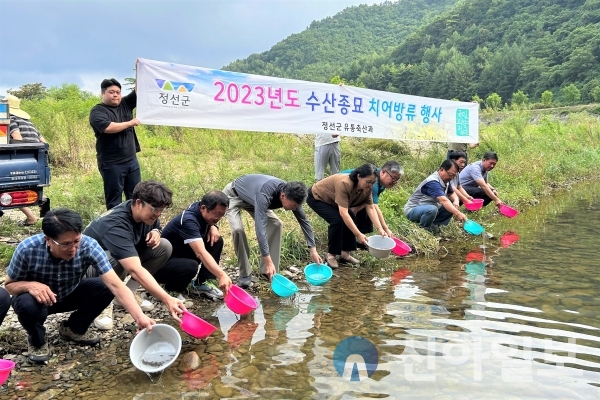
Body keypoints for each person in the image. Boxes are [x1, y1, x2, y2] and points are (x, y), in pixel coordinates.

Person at [4, 208, 155, 363]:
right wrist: (31, 286)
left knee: (105, 287)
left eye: (76, 241)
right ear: (48, 240)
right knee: (26, 305)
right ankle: (37, 340)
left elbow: (116, 285)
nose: (73, 249)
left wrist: (139, 317)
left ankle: (73, 329)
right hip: (38, 301)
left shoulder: (89, 245)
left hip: (69, 293)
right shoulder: (27, 249)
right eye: (66, 244)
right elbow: (9, 285)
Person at [83, 180, 185, 330]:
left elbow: (157, 226)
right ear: (138, 203)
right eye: (155, 210)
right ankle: (103, 301)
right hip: (86, 272)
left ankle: (124, 296)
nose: (158, 214)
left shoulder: (145, 215)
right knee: (115, 259)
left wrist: (156, 232)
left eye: (161, 210)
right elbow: (134, 269)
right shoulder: (116, 223)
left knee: (164, 246)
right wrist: (167, 298)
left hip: (113, 263)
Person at [223, 175, 322, 288]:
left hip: (254, 199)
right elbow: (260, 229)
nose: (295, 209)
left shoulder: (292, 195)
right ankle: (245, 273)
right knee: (238, 230)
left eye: (297, 206)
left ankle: (268, 271)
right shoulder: (265, 195)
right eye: (293, 205)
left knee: (276, 224)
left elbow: (304, 221)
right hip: (234, 195)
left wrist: (313, 250)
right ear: (283, 196)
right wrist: (268, 259)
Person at [307, 163, 387, 269]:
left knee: (352, 217)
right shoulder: (345, 183)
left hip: (333, 200)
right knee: (337, 220)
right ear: (359, 176)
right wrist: (358, 234)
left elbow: (370, 208)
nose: (370, 185)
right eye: (368, 182)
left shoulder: (367, 188)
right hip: (317, 198)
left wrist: (380, 229)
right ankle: (331, 254)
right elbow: (343, 213)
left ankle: (345, 254)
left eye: (373, 183)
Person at [158, 190, 233, 301]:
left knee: (216, 240)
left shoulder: (198, 207)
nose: (218, 218)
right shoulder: (189, 220)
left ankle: (201, 283)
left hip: (181, 252)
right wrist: (222, 275)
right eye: (216, 214)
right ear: (203, 208)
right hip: (162, 265)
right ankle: (172, 290)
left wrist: (213, 226)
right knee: (191, 266)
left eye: (221, 215)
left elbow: (209, 220)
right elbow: (200, 253)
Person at [89, 78, 141, 210]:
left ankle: (133, 226)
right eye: (111, 92)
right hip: (111, 163)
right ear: (103, 93)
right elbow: (108, 127)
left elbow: (139, 89)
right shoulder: (97, 111)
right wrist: (130, 123)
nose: (115, 95)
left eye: (118, 92)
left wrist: (139, 69)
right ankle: (115, 227)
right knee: (114, 201)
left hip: (131, 160)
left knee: (136, 197)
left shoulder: (126, 104)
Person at [7, 94, 48, 226]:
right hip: (36, 161)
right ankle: (43, 211)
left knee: (11, 188)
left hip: (19, 158)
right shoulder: (29, 123)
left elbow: (17, 137)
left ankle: (31, 217)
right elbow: (43, 142)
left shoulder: (10, 119)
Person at [344, 161, 403, 242]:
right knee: (367, 206)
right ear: (383, 172)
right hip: (336, 193)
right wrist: (385, 229)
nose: (395, 182)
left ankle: (359, 236)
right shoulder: (373, 181)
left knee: (366, 204)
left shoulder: (381, 182)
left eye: (397, 179)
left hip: (351, 195)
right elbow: (374, 207)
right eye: (393, 178)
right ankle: (352, 232)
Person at [403, 160, 467, 233]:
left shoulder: (445, 181)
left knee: (451, 205)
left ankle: (435, 225)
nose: (451, 178)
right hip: (413, 210)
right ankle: (424, 229)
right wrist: (458, 213)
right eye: (450, 174)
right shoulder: (433, 182)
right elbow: (443, 200)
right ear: (441, 170)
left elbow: (451, 193)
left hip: (430, 208)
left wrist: (456, 201)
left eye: (453, 176)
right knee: (432, 209)